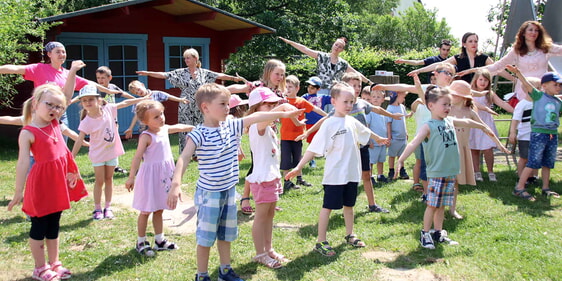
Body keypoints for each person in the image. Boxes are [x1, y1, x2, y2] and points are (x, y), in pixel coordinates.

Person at [167, 83, 302, 281]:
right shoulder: (198, 134)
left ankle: (225, 270)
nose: (227, 108)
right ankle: (202, 275)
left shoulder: (232, 125)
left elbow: (255, 117)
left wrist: (281, 113)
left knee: (226, 234)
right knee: (206, 238)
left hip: (229, 191)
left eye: (227, 103)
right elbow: (184, 158)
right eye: (222, 104)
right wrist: (176, 184)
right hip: (209, 194)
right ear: (205, 107)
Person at [286, 82, 389, 257]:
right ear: (334, 101)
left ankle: (350, 234)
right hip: (335, 176)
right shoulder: (329, 123)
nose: (349, 105)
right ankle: (321, 241)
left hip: (351, 174)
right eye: (345, 102)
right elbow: (314, 148)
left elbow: (365, 131)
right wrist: (298, 167)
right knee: (328, 207)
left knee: (349, 205)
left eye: (352, 102)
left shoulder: (351, 121)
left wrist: (379, 138)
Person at [395, 86, 499, 249]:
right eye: (444, 104)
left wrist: (483, 126)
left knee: (442, 204)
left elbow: (466, 121)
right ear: (431, 106)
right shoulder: (428, 126)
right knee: (432, 205)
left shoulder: (449, 121)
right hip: (436, 173)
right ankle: (425, 233)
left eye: (449, 105)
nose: (448, 108)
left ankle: (438, 232)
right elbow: (414, 143)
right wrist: (401, 160)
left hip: (450, 172)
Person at [7, 84, 87, 281]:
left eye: (58, 107)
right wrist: (18, 192)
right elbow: (23, 163)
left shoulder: (55, 123)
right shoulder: (28, 133)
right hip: (41, 186)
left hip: (57, 183)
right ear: (35, 103)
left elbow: (66, 96)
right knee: (39, 227)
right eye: (49, 104)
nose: (54, 110)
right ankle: (40, 268)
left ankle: (54, 263)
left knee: (54, 225)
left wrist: (72, 171)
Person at [300, 72, 399, 213]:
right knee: (345, 175)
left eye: (359, 85)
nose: (358, 88)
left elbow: (377, 109)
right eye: (354, 85)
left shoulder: (362, 103)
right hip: (347, 148)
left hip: (362, 145)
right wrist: (309, 132)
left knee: (367, 174)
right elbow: (324, 120)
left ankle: (372, 204)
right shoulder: (340, 107)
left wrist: (392, 115)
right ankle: (338, 200)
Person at [136, 48, 245, 153]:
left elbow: (218, 75)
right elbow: (165, 75)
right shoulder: (181, 73)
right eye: (185, 58)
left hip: (201, 104)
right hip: (185, 103)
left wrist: (233, 78)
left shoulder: (203, 73)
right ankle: (186, 151)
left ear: (195, 58)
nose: (186, 60)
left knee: (201, 125)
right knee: (185, 127)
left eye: (188, 58)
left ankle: (201, 150)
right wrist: (148, 73)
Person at [125, 100, 194, 256]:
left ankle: (159, 240)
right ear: (145, 121)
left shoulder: (164, 129)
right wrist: (131, 177)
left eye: (161, 114)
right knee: (145, 210)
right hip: (150, 178)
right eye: (156, 117)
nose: (161, 118)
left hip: (164, 176)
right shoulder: (146, 136)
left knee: (159, 209)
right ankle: (141, 241)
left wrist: (194, 128)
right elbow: (137, 158)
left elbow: (179, 127)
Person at [71, 85, 145, 220]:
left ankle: (108, 207)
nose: (88, 102)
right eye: (84, 100)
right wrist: (72, 157)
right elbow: (79, 140)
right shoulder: (86, 121)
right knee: (99, 181)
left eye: (91, 99)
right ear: (81, 103)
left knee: (109, 179)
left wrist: (140, 99)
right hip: (98, 155)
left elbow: (124, 103)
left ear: (99, 100)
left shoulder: (108, 109)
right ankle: (97, 208)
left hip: (111, 152)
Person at [244, 87, 294, 269]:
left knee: (270, 215)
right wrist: (282, 108)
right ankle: (260, 254)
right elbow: (266, 119)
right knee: (261, 216)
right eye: (268, 104)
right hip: (262, 179)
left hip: (272, 177)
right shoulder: (258, 125)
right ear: (256, 107)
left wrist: (281, 109)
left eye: (274, 103)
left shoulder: (268, 125)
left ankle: (268, 249)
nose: (273, 107)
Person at [458, 21, 562, 107]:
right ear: (523, 33)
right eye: (530, 30)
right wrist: (473, 70)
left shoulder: (545, 48)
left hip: (542, 89)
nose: (533, 32)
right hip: (524, 91)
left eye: (536, 30)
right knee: (523, 120)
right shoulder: (516, 51)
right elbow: (497, 66)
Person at [448, 80, 507, 219]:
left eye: (454, 95)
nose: (451, 97)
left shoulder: (470, 112)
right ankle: (438, 208)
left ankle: (452, 209)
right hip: (447, 149)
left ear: (464, 98)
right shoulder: (446, 108)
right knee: (444, 180)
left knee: (455, 182)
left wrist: (499, 144)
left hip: (461, 150)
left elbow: (485, 127)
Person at [509, 65, 562, 201]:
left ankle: (546, 188)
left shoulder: (558, 101)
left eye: (560, 85)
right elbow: (527, 84)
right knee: (533, 161)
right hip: (538, 133)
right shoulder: (538, 96)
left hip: (552, 134)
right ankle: (519, 187)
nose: (558, 87)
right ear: (544, 85)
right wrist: (518, 73)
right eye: (555, 84)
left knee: (548, 162)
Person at [278, 37, 372, 94]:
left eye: (340, 46)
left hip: (335, 92)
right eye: (336, 45)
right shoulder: (321, 56)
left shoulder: (343, 64)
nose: (337, 47)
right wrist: (290, 42)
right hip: (320, 90)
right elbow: (305, 49)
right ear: (333, 45)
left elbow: (356, 73)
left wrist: (370, 83)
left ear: (342, 50)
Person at [408, 33, 512, 84]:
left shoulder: (484, 58)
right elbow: (439, 65)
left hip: (480, 90)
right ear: (464, 44)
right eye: (470, 41)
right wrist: (419, 70)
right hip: (462, 90)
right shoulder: (458, 58)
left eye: (475, 41)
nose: (474, 44)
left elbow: (498, 69)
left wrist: (515, 80)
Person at [281, 75, 327, 190]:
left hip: (298, 136)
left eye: (290, 87)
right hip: (285, 136)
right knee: (286, 160)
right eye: (286, 87)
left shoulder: (301, 101)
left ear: (297, 88)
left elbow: (315, 109)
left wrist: (327, 116)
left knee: (298, 158)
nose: (288, 89)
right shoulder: (282, 101)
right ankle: (286, 181)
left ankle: (299, 178)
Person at [468, 69, 513, 182]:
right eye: (481, 79)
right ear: (476, 80)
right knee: (474, 148)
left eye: (486, 80)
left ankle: (490, 171)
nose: (483, 82)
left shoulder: (489, 94)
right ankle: (477, 172)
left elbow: (502, 103)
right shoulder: (469, 92)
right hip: (474, 123)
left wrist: (515, 110)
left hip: (486, 122)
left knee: (488, 148)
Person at [95, 66, 136, 175]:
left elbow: (123, 93)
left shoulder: (112, 87)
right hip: (101, 122)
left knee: (114, 141)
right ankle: (102, 164)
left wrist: (134, 99)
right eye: (98, 78)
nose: (100, 80)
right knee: (103, 142)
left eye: (103, 77)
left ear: (110, 78)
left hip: (113, 120)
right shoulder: (96, 90)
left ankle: (114, 165)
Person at [124, 80, 188, 138]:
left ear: (142, 85)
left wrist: (180, 100)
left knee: (159, 136)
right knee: (146, 139)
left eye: (138, 89)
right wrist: (131, 128)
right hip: (144, 124)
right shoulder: (138, 102)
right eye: (136, 93)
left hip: (157, 121)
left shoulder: (156, 94)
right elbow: (136, 115)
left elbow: (168, 96)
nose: (138, 92)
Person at [509, 77, 541, 184]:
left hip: (538, 135)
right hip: (525, 136)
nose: (539, 90)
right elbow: (515, 120)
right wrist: (513, 132)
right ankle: (520, 176)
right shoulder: (522, 104)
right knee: (524, 157)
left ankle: (532, 176)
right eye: (537, 88)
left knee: (535, 157)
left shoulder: (539, 103)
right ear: (527, 89)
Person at [301, 76, 331, 168]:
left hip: (322, 123)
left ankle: (327, 156)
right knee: (312, 142)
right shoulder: (305, 97)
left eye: (313, 88)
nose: (310, 89)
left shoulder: (323, 97)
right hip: (310, 123)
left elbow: (334, 98)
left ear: (318, 89)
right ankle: (312, 160)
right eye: (309, 87)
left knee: (323, 140)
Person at [365, 87, 391, 185]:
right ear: (370, 99)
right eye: (373, 97)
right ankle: (370, 176)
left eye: (378, 97)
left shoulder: (383, 112)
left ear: (383, 99)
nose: (375, 99)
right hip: (374, 142)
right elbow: (367, 126)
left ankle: (380, 175)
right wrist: (369, 140)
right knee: (371, 160)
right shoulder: (370, 112)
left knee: (381, 159)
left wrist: (388, 138)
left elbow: (387, 125)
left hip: (383, 141)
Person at [386, 91, 409, 180]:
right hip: (394, 137)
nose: (404, 99)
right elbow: (388, 123)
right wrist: (389, 136)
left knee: (401, 155)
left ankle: (402, 170)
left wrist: (406, 132)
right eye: (403, 97)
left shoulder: (402, 107)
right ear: (397, 96)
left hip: (402, 137)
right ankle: (391, 170)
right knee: (392, 155)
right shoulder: (390, 108)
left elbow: (404, 120)